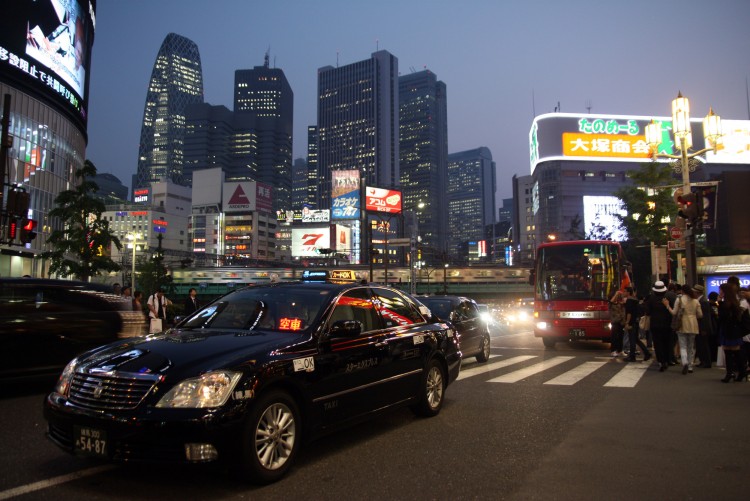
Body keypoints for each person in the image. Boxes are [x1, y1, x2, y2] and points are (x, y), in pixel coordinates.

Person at [665, 284, 702, 374]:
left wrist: (667, 306)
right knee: (691, 345)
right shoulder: (695, 301)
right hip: (693, 324)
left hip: (682, 324)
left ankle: (684, 362)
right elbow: (700, 315)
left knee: (683, 345)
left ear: (682, 291)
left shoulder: (679, 299)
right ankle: (690, 366)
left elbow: (674, 313)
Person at [717, 282, 748, 382]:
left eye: (721, 290)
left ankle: (731, 373)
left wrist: (719, 303)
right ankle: (739, 372)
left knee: (730, 352)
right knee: (733, 352)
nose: (719, 292)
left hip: (730, 330)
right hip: (732, 330)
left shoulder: (728, 304)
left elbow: (723, 317)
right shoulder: (734, 302)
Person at [644, 281, 672, 372]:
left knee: (657, 343)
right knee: (667, 342)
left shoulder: (651, 299)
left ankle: (661, 361)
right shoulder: (668, 298)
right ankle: (667, 360)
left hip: (655, 324)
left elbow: (647, 311)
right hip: (667, 324)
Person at [624, 287, 651, 362]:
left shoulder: (629, 301)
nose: (624, 293)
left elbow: (629, 313)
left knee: (632, 339)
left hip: (631, 322)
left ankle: (632, 356)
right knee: (636, 339)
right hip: (636, 321)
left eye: (625, 291)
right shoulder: (635, 300)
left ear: (628, 292)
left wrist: (627, 322)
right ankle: (646, 353)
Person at [693, 284, 715, 368]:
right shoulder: (701, 300)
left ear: (697, 292)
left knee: (704, 345)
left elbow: (705, 317)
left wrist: (704, 328)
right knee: (700, 345)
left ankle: (707, 362)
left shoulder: (703, 302)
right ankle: (703, 361)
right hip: (700, 326)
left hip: (703, 327)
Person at [608, 290, 625, 357]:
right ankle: (613, 350)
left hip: (621, 322)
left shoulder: (621, 304)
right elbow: (611, 301)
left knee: (621, 336)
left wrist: (621, 295)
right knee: (614, 336)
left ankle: (620, 350)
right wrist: (616, 294)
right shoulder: (611, 304)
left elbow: (624, 301)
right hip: (615, 322)